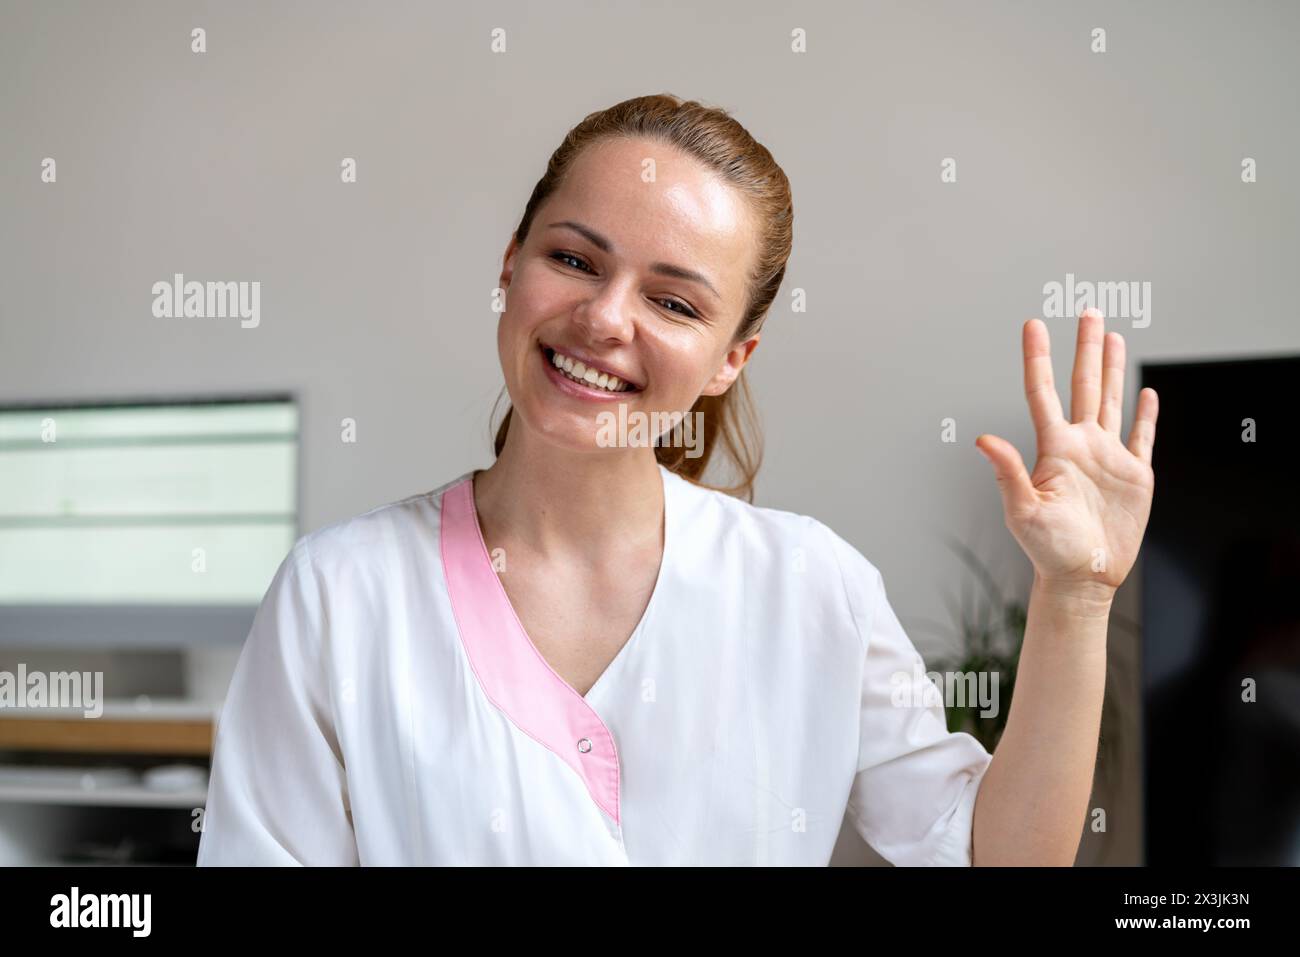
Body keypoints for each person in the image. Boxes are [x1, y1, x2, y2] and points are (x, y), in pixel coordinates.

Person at [197, 93, 1159, 866]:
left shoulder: (810, 588)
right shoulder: (340, 593)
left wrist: (1075, 596)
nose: (606, 319)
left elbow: (999, 856)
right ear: (511, 266)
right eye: (573, 258)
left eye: (672, 300)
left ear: (732, 357)